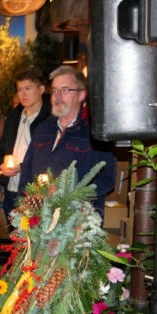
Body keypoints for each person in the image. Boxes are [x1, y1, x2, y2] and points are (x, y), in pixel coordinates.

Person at [18, 66, 117, 215]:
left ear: (81, 95)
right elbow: (26, 172)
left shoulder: (96, 131)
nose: (57, 95)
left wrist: (69, 196)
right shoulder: (43, 129)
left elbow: (107, 178)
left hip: (78, 221)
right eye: (54, 90)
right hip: (38, 218)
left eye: (65, 90)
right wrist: (23, 207)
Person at [0, 68, 52, 216]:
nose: (23, 94)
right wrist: (1, 164)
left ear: (41, 89)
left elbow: (50, 156)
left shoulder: (51, 121)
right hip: (11, 190)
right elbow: (0, 149)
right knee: (13, 231)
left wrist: (22, 167)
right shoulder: (12, 118)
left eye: (28, 88)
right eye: (20, 89)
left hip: (36, 192)